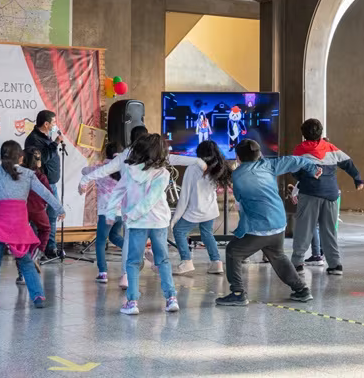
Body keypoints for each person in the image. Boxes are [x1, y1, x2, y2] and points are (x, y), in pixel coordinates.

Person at [215, 139, 321, 306]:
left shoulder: (238, 175)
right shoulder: (269, 165)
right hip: (279, 222)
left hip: (260, 227)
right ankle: (302, 290)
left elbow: (241, 201)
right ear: (259, 155)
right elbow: (296, 160)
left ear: (238, 157)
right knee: (277, 255)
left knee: (233, 251)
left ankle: (238, 293)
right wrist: (314, 168)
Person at [81, 134, 179, 315]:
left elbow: (117, 192)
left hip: (137, 224)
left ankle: (132, 302)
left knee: (133, 262)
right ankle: (171, 298)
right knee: (163, 260)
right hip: (158, 222)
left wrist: (114, 214)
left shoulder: (130, 170)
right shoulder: (163, 174)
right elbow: (151, 199)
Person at [0, 140, 65, 310]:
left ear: (2, 157)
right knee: (26, 261)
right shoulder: (29, 174)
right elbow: (46, 193)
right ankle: (38, 296)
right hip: (18, 224)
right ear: (21, 157)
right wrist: (59, 209)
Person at [290, 118, 364, 276]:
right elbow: (348, 162)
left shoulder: (299, 150)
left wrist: (302, 178)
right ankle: (335, 265)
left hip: (309, 194)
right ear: (320, 132)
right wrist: (357, 179)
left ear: (303, 134)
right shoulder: (330, 148)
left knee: (304, 229)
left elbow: (294, 171)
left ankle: (297, 263)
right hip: (331, 195)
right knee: (329, 230)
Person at [171, 140, 232, 275]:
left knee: (179, 231)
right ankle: (216, 262)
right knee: (207, 234)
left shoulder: (193, 168)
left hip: (195, 210)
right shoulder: (217, 167)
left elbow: (185, 195)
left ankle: (186, 261)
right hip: (210, 209)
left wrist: (175, 217)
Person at [80, 141, 127, 287]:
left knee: (100, 242)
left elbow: (84, 170)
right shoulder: (124, 169)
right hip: (120, 212)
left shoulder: (100, 168)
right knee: (114, 236)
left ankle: (103, 273)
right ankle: (134, 249)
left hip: (106, 213)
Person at [24, 110, 63, 259]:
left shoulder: (46, 137)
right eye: (53, 122)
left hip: (51, 183)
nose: (55, 125)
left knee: (52, 216)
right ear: (46, 124)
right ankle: (37, 249)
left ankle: (50, 248)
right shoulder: (33, 139)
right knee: (39, 219)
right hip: (40, 185)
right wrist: (55, 143)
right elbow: (42, 159)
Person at [15, 148, 53, 286]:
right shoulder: (41, 176)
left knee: (20, 241)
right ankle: (35, 255)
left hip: (21, 210)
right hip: (38, 209)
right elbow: (48, 193)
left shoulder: (18, 174)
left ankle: (22, 275)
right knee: (46, 229)